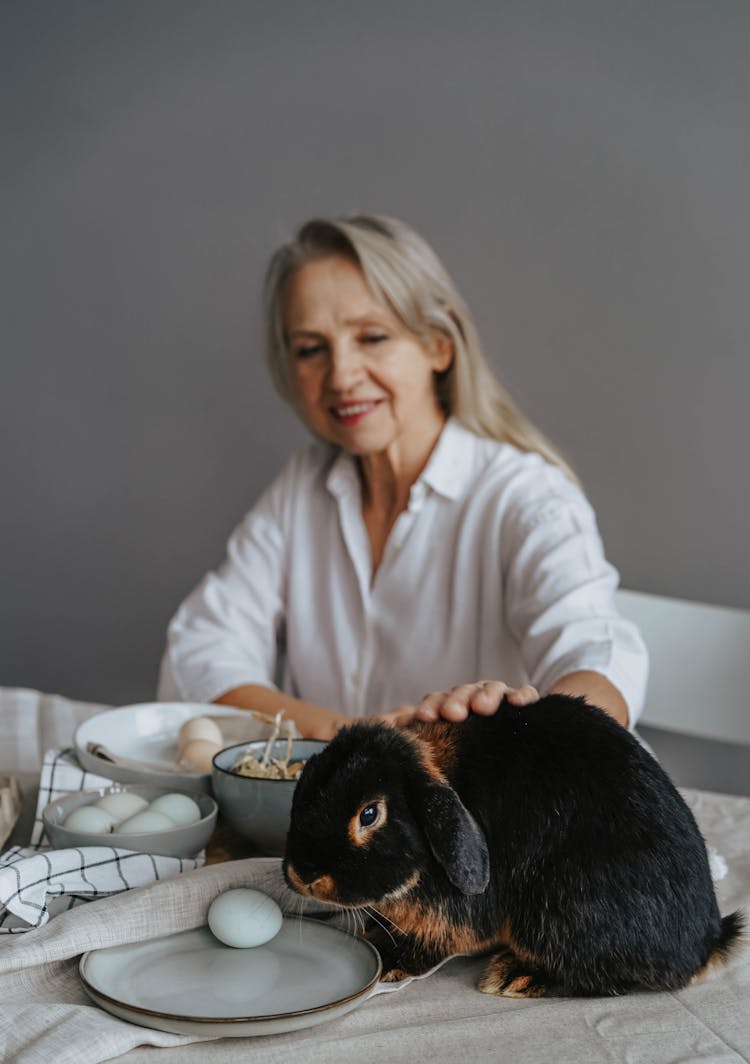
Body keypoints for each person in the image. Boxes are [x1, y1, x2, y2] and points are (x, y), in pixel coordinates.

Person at [157, 213, 647, 739]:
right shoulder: (303, 487)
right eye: (310, 349)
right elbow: (200, 649)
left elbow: (596, 649)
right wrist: (360, 741)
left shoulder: (525, 495)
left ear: (439, 345)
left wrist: (556, 730)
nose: (342, 376)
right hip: (347, 813)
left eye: (372, 337)